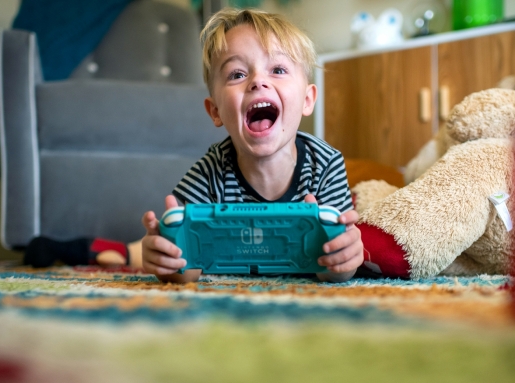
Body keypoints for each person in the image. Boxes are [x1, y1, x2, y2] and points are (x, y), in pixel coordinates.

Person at [140, 8, 363, 283]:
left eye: (278, 69)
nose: (258, 81)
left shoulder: (326, 164)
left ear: (307, 100)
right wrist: (170, 259)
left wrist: (345, 258)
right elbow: (188, 267)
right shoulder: (209, 173)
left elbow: (335, 268)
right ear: (216, 111)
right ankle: (124, 250)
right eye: (237, 74)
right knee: (144, 247)